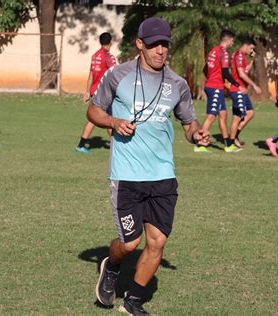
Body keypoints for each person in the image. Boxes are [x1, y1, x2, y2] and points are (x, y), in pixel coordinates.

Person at [87, 17, 210, 315]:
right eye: (154, 44)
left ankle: (133, 302)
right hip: (127, 174)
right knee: (130, 244)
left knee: (157, 242)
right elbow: (93, 110)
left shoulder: (178, 84)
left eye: (165, 44)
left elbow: (187, 121)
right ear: (139, 44)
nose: (160, 50)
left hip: (162, 174)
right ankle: (113, 265)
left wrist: (196, 133)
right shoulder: (118, 75)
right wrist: (114, 122)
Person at [195, 30, 246, 153]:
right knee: (212, 116)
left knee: (223, 115)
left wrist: (212, 79)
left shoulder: (214, 50)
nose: (232, 43)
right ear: (227, 40)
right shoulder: (224, 53)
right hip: (215, 87)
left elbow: (205, 69)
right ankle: (200, 145)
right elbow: (225, 72)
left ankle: (228, 145)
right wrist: (237, 85)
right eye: (232, 41)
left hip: (214, 86)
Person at [76, 32, 116, 153]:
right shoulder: (109, 57)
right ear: (110, 43)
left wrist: (87, 92)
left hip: (95, 92)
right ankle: (117, 147)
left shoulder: (95, 56)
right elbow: (115, 74)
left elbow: (91, 75)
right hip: (105, 93)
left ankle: (81, 145)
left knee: (96, 119)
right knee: (107, 119)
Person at [229, 37, 262, 149]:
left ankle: (235, 136)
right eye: (251, 48)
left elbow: (246, 70)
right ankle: (231, 142)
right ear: (246, 45)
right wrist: (254, 85)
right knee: (237, 116)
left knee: (250, 113)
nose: (251, 51)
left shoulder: (243, 56)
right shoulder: (238, 55)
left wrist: (252, 60)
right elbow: (241, 74)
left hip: (242, 90)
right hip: (237, 89)